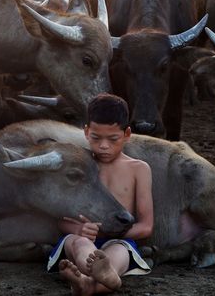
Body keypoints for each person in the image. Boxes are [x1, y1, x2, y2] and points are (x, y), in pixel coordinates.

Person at [47, 93, 154, 295]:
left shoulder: (139, 169)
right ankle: (96, 275)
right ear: (86, 132)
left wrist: (109, 233)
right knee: (79, 244)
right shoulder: (77, 166)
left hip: (120, 240)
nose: (104, 145)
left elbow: (146, 226)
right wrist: (79, 229)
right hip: (81, 239)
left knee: (119, 251)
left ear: (127, 134)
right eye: (96, 138)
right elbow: (59, 219)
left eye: (113, 138)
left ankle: (88, 283)